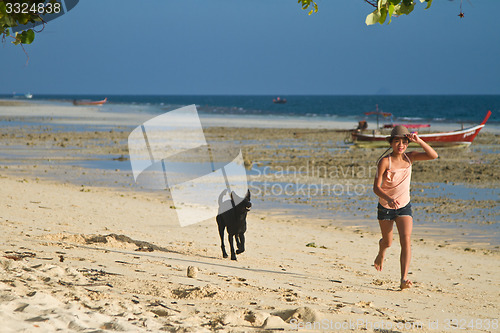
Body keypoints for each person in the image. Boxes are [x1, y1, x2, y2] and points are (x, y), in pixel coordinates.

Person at [373, 125, 438, 290]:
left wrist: (419, 140)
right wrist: (388, 198)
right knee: (387, 242)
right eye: (397, 141)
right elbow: (376, 188)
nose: (400, 145)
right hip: (386, 206)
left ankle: (403, 279)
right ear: (391, 143)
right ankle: (381, 253)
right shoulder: (385, 161)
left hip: (404, 206)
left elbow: (433, 155)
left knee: (406, 240)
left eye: (404, 142)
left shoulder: (410, 157)